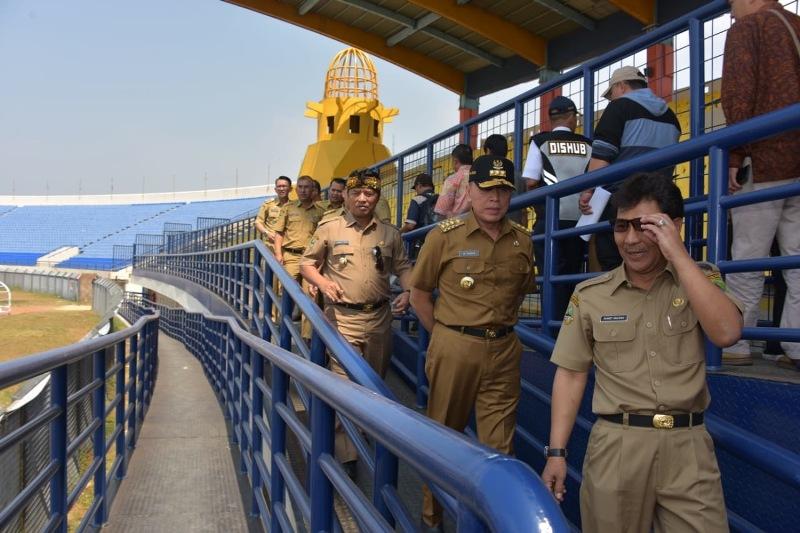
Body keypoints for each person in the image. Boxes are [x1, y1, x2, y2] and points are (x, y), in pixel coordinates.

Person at [541, 173, 743, 533]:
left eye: (645, 226)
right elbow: (571, 374)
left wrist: (678, 256)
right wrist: (556, 453)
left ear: (673, 226)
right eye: (621, 227)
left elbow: (726, 332)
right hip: (617, 447)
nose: (631, 239)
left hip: (689, 449)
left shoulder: (701, 278)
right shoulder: (591, 295)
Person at [410, 155, 535, 531]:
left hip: (504, 350)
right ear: (470, 190)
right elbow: (418, 293)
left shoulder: (522, 241)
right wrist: (444, 336)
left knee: (500, 448)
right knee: (443, 437)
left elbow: (520, 293)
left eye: (502, 190)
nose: (494, 198)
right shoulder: (443, 236)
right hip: (455, 346)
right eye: (486, 189)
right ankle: (432, 519)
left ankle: (488, 522)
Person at [300, 171, 413, 475]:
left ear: (378, 197)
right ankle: (348, 455)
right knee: (345, 384)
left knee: (375, 383)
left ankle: (365, 432)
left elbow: (403, 266)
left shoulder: (390, 234)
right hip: (343, 318)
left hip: (379, 318)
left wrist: (410, 290)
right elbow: (307, 263)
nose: (364, 199)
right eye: (357, 194)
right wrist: (322, 283)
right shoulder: (330, 227)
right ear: (347, 197)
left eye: (370, 194)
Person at [720, 0, 800, 368]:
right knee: (798, 263)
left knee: (747, 259)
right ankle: (796, 347)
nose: (731, 12)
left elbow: (738, 95)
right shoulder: (796, 25)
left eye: (732, 3)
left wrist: (734, 156)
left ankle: (735, 343)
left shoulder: (747, 29)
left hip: (766, 158)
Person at [578, 66, 681, 271]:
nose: (611, 99)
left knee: (614, 263)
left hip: (623, 201)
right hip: (659, 202)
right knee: (653, 264)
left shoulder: (619, 108)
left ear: (621, 86)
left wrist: (587, 190)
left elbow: (601, 158)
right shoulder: (671, 117)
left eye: (611, 93)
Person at [522, 96, 592, 319]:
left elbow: (531, 181)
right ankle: (571, 328)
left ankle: (551, 331)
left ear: (550, 119)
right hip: (580, 222)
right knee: (572, 277)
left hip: (550, 221)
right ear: (572, 117)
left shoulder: (540, 141)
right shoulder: (588, 144)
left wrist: (540, 209)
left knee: (549, 279)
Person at [273, 176, 326, 336]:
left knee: (310, 298)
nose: (303, 190)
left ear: (313, 190)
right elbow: (279, 232)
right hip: (291, 257)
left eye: (307, 187)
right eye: (300, 187)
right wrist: (278, 254)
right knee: (287, 294)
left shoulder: (320, 212)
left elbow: (324, 238)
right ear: (296, 190)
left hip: (311, 259)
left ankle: (307, 337)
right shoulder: (288, 208)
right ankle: (284, 331)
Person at [434, 144, 473, 219]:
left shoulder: (452, 179)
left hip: (459, 224)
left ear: (455, 161)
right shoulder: (480, 174)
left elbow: (441, 211)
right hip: (480, 222)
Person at [255, 176, 292, 252]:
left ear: (290, 189)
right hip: (271, 247)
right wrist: (267, 233)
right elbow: (258, 222)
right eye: (279, 186)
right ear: (275, 189)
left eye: (284, 186)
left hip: (288, 248)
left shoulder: (295, 207)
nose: (281, 189)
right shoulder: (268, 204)